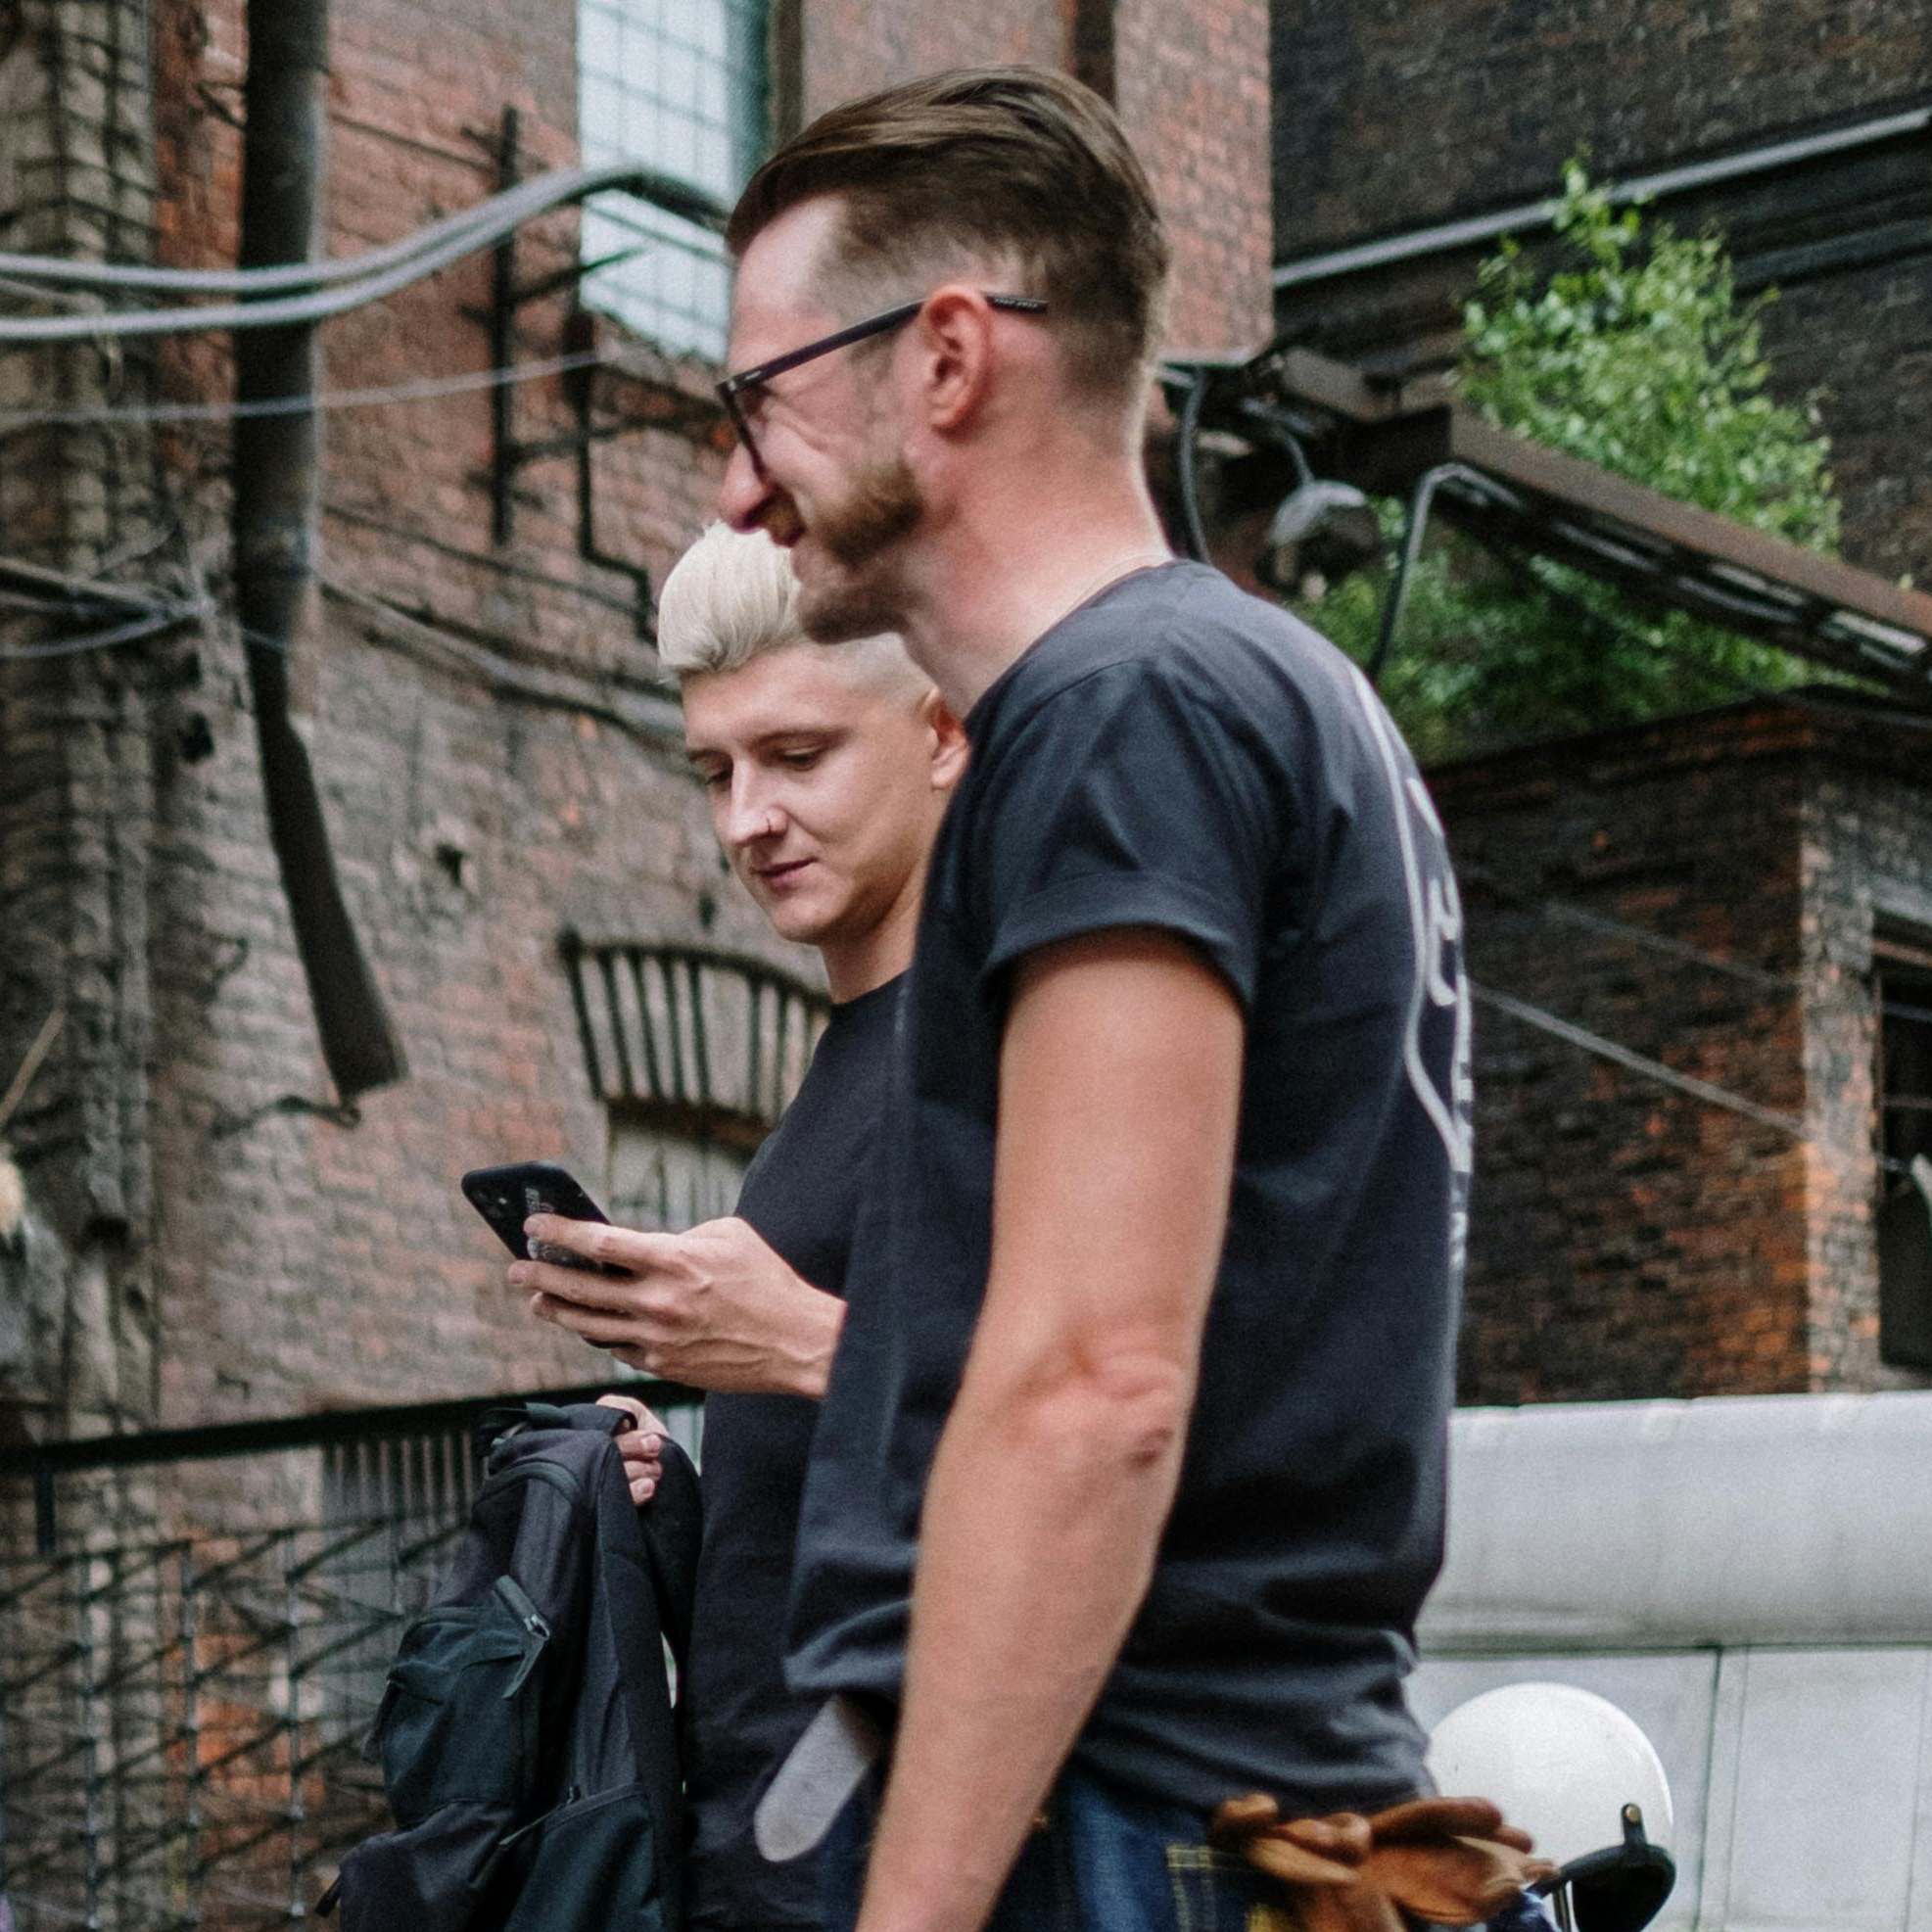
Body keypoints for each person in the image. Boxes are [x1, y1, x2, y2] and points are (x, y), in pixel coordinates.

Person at [714, 65, 1488, 1932]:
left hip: (1132, 1829)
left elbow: (1093, 1387)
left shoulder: (1122, 709)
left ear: (948, 357)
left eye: (756, 399)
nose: (736, 483)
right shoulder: (1256, 694)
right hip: (1236, 1812)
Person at [507, 521, 966, 1932]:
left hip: (908, 1856)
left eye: (796, 756)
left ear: (940, 729)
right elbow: (849, 1504)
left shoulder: (1006, 1054)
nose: (742, 818)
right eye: (714, 770)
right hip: (757, 1838)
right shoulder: (832, 1074)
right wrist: (679, 1496)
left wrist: (805, 1341)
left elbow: (1108, 1443)